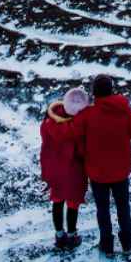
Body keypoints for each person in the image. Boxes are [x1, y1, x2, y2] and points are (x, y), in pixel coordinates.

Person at [72, 74, 131, 254]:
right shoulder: (123, 109)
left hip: (97, 172)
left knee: (102, 208)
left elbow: (76, 137)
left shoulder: (87, 115)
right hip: (121, 170)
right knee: (123, 206)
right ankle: (127, 241)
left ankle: (107, 244)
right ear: (112, 90)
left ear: (94, 93)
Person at [39, 86, 90, 250]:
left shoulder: (48, 122)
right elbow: (83, 151)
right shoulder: (78, 129)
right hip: (74, 171)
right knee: (73, 203)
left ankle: (59, 235)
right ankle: (72, 235)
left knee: (57, 200)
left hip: (54, 169)